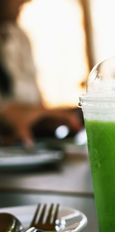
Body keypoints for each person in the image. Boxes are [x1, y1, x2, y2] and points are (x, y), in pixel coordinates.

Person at [0, 0, 82, 147]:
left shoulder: (19, 36)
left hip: (33, 141)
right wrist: (9, 116)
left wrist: (47, 117)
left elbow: (35, 100)